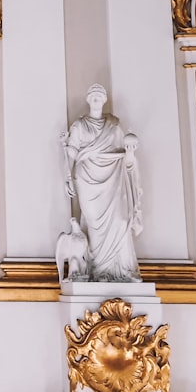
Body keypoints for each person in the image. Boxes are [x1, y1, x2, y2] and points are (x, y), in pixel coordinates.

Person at [62, 84, 142, 282]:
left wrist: (131, 152)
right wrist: (67, 176)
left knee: (121, 221)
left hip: (113, 175)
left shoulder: (114, 126)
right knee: (94, 224)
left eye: (100, 95)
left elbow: (124, 155)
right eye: (93, 95)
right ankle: (98, 271)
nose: (96, 98)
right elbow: (71, 152)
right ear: (88, 99)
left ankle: (121, 270)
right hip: (87, 178)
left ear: (104, 99)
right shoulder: (79, 126)